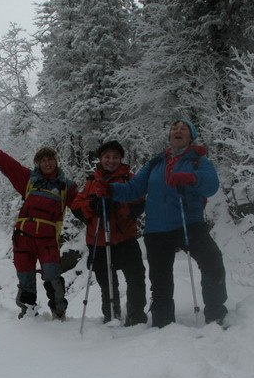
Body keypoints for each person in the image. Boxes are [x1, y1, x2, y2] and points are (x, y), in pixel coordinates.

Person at [91, 118, 228, 327]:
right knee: (160, 279)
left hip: (189, 223)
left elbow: (211, 186)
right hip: (157, 229)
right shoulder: (155, 163)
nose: (178, 130)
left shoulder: (199, 161)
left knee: (212, 262)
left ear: (191, 136)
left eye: (184, 128)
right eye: (174, 128)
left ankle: (216, 314)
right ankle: (164, 323)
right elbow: (134, 188)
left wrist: (191, 178)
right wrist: (111, 190)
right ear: (169, 135)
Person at [0, 125, 78, 319]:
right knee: (25, 279)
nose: (47, 163)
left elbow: (81, 206)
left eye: (50, 159)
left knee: (53, 277)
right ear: (38, 164)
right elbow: (7, 165)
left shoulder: (66, 187)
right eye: (43, 160)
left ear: (56, 161)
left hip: (47, 240)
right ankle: (28, 316)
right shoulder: (29, 180)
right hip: (23, 238)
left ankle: (59, 314)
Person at [72, 140, 148, 326]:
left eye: (115, 157)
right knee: (107, 284)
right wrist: (93, 205)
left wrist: (118, 205)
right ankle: (111, 316)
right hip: (98, 241)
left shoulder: (129, 179)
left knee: (136, 277)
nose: (111, 160)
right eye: (107, 156)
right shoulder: (92, 181)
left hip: (125, 239)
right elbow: (77, 207)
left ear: (121, 159)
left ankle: (136, 316)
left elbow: (139, 203)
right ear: (100, 159)